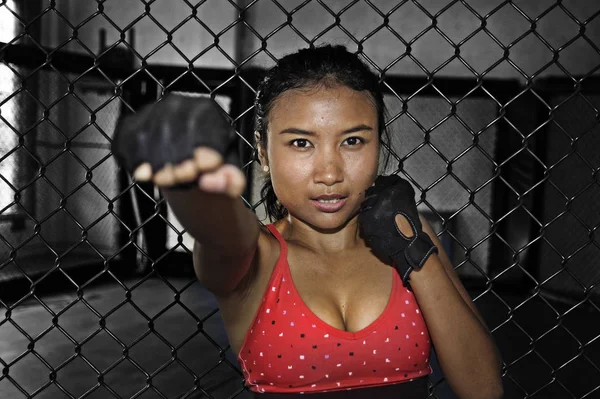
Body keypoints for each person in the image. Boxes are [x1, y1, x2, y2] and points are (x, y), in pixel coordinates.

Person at [112, 44, 503, 398]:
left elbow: (484, 390)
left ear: (379, 146)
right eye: (301, 143)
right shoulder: (257, 259)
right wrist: (193, 181)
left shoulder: (413, 235)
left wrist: (414, 249)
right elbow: (221, 231)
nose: (330, 172)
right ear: (263, 152)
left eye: (353, 141)